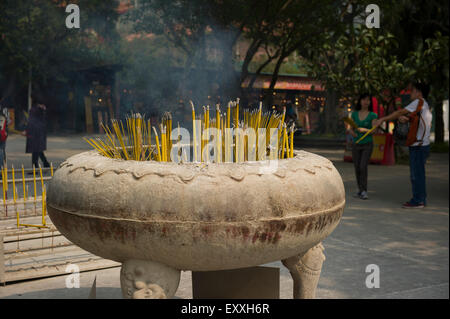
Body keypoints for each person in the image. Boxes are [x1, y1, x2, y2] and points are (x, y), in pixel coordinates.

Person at [374, 82, 432, 208]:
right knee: (419, 174)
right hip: (422, 145)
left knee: (416, 175)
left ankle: (418, 201)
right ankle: (421, 199)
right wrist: (405, 119)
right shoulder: (424, 105)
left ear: (419, 92)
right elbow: (415, 119)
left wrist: (382, 119)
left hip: (418, 146)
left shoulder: (418, 102)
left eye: (413, 91)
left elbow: (400, 112)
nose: (410, 93)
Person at [347, 94, 378, 200]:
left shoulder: (373, 115)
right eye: (364, 100)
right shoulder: (354, 114)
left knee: (363, 166)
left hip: (367, 144)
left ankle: (364, 190)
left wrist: (363, 130)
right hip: (356, 144)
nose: (366, 102)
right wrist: (352, 132)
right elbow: (349, 127)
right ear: (360, 101)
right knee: (357, 167)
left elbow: (374, 130)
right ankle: (359, 189)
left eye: (368, 100)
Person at [24, 101, 50, 169]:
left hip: (35, 133)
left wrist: (27, 130)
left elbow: (31, 121)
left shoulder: (34, 110)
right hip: (40, 132)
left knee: (35, 150)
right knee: (38, 149)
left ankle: (35, 168)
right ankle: (46, 163)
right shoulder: (42, 109)